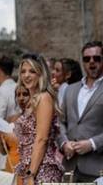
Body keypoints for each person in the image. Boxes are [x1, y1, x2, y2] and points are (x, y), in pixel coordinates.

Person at [58, 41, 103, 182]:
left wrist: (92, 144)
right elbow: (60, 123)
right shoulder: (70, 89)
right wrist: (64, 143)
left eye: (96, 58)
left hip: (101, 168)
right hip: (71, 167)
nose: (91, 62)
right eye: (87, 59)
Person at [11, 55, 64, 185]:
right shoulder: (32, 100)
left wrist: (31, 174)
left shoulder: (44, 98)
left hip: (42, 168)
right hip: (31, 166)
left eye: (32, 71)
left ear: (41, 73)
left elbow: (42, 139)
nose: (26, 75)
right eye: (23, 71)